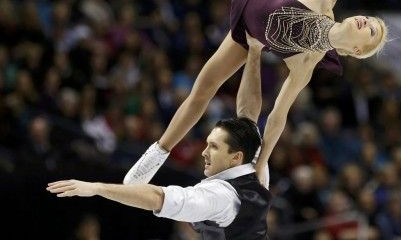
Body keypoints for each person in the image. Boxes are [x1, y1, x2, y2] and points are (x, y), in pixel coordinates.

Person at [124, 0, 390, 185]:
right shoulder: (325, 3)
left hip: (246, 33)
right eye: (370, 19)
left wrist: (260, 164)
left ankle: (157, 153)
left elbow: (277, 118)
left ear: (356, 51)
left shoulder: (307, 62)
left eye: (372, 32)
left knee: (203, 89)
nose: (367, 22)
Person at [47, 36, 274, 239]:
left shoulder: (220, 196)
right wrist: (255, 53)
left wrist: (96, 188)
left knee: (202, 90)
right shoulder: (252, 165)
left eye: (213, 147)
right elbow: (249, 113)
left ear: (235, 157)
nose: (204, 152)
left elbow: (157, 197)